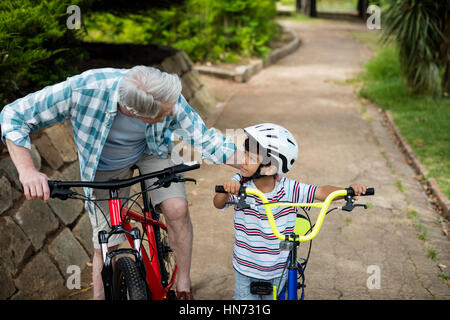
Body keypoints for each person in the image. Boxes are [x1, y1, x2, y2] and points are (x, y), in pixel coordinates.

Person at [0, 66, 241, 300]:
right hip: (104, 164)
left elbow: (205, 139)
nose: (171, 113)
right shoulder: (83, 89)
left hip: (154, 151)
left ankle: (184, 281)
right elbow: (14, 114)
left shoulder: (165, 96)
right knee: (106, 242)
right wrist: (27, 170)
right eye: (163, 114)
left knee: (176, 209)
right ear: (135, 112)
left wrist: (249, 163)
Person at [213, 123, 368, 300]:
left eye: (251, 157)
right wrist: (226, 190)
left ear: (270, 166)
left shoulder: (289, 189)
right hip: (245, 269)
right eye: (245, 154)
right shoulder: (240, 184)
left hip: (278, 270)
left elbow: (321, 192)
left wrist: (347, 190)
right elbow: (218, 203)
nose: (243, 160)